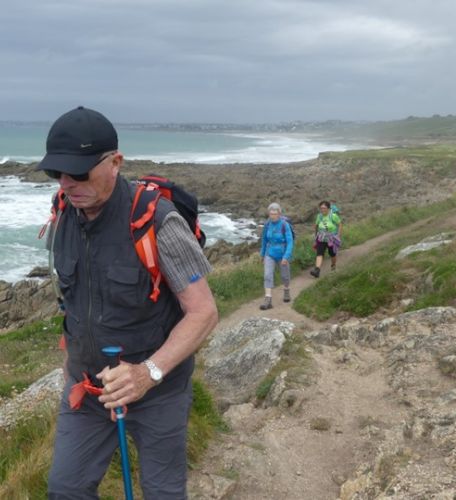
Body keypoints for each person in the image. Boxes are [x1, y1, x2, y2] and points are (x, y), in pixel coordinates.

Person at [37, 106, 218, 499]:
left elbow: (203, 312)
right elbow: (73, 299)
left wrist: (147, 374)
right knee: (65, 490)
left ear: (115, 162)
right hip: (88, 390)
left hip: (158, 394)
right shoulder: (63, 214)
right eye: (57, 172)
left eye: (78, 172)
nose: (67, 183)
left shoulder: (157, 222)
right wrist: (72, 360)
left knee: (162, 492)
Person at [259, 202, 294, 310]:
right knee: (267, 275)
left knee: (285, 275)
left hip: (282, 254)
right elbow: (264, 240)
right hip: (269, 253)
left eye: (275, 214)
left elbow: (290, 242)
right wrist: (262, 254)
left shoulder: (284, 225)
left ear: (279, 214)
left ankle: (286, 290)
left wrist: (286, 256)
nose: (272, 216)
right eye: (271, 214)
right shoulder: (267, 225)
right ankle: (268, 299)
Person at [310, 200, 342, 278]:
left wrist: (338, 235)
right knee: (319, 253)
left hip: (331, 238)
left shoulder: (333, 216)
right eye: (321, 208)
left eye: (324, 208)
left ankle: (333, 265)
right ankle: (317, 270)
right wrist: (315, 237)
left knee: (332, 254)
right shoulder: (319, 216)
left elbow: (340, 225)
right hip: (321, 238)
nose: (322, 210)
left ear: (328, 208)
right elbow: (316, 226)